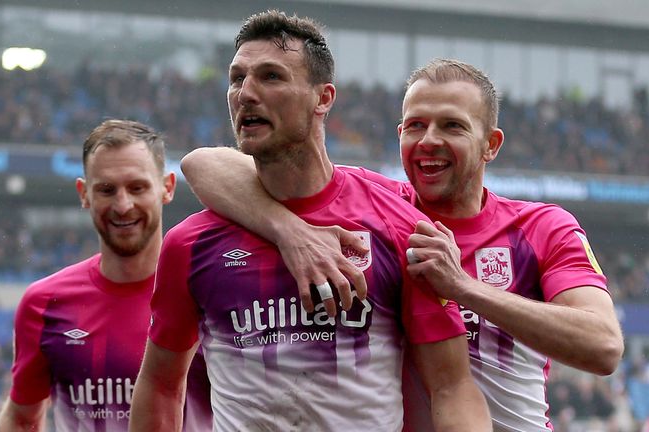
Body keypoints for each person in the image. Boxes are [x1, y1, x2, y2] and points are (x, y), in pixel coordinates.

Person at [180, 58, 625, 431]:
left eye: (452, 125)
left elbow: (602, 345)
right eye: (416, 125)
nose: (429, 140)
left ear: (490, 144)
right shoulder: (381, 211)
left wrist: (465, 288)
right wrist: (289, 230)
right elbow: (204, 164)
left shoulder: (541, 226)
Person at [129, 11, 490, 432]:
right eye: (237, 78)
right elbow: (159, 384)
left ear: (323, 98)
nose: (246, 93)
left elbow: (450, 386)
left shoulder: (396, 223)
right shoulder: (191, 244)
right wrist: (290, 232)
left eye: (271, 77)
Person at [0, 120, 211, 431]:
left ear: (167, 187)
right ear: (84, 194)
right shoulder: (45, 304)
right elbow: (21, 419)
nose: (123, 205)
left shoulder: (208, 294)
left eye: (137, 187)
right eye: (107, 189)